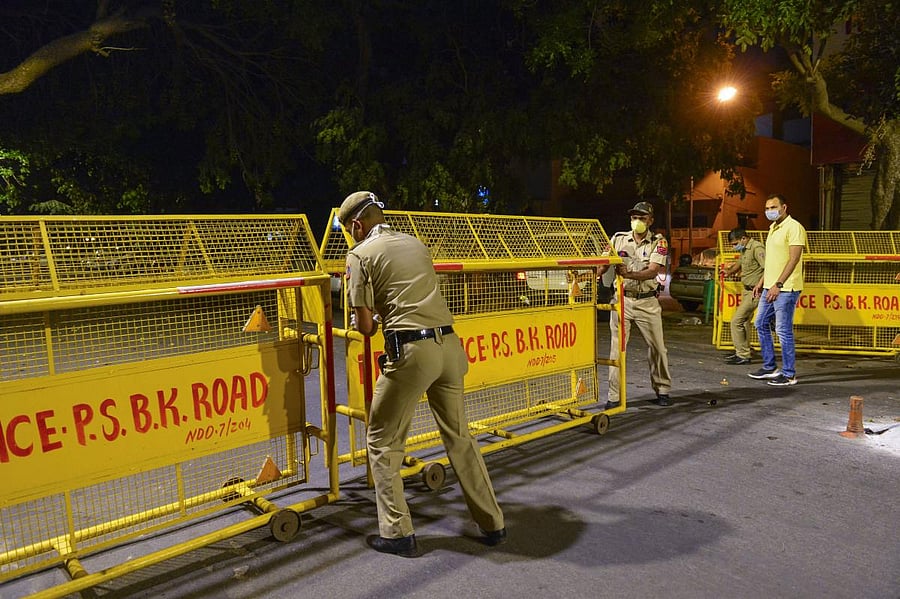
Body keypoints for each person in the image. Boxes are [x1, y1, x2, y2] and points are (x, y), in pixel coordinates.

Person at [340, 191, 506, 557]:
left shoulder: (359, 255)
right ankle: (493, 522)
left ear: (356, 225)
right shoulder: (416, 243)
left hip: (412, 354)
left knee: (382, 441)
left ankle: (397, 532)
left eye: (348, 230)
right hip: (449, 347)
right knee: (460, 438)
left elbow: (366, 327)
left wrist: (363, 317)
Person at [601, 201, 673, 409]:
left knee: (658, 348)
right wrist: (589, 275)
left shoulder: (658, 242)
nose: (637, 222)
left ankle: (663, 390)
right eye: (634, 218)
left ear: (650, 220)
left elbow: (652, 270)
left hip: (647, 302)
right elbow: (603, 264)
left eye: (641, 218)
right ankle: (614, 397)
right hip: (622, 300)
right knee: (617, 349)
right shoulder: (618, 239)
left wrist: (629, 274)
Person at [748, 193, 806, 386]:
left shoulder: (794, 228)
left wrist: (778, 284)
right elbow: (772, 261)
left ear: (784, 207)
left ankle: (789, 374)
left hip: (786, 288)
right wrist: (762, 282)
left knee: (783, 330)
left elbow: (793, 259)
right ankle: (770, 366)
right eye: (767, 208)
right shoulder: (773, 228)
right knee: (760, 323)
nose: (769, 211)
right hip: (769, 286)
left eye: (773, 207)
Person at [721, 227, 765, 365]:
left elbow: (768, 268)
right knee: (744, 321)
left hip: (755, 291)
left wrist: (760, 285)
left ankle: (743, 355)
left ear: (744, 238)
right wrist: (728, 272)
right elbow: (740, 263)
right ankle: (743, 351)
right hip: (747, 290)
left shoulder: (757, 248)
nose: (734, 247)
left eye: (735, 243)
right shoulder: (745, 249)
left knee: (736, 321)